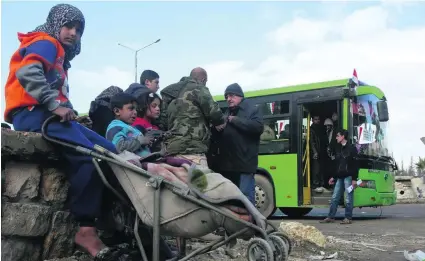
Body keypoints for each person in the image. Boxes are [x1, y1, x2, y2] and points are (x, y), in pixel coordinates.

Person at [2, 4, 131, 260]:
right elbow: (27, 71)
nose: (73, 33)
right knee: (89, 156)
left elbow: (56, 91)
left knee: (112, 151)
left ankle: (113, 225)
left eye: (79, 29)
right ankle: (85, 229)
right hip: (33, 113)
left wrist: (67, 110)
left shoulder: (59, 52)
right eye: (68, 26)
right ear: (55, 24)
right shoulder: (46, 42)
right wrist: (54, 105)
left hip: (46, 112)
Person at [211, 83, 264, 205]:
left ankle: (250, 223)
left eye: (231, 96)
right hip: (227, 166)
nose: (228, 99)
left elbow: (257, 127)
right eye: (226, 97)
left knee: (245, 199)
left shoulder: (252, 109)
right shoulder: (225, 113)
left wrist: (235, 120)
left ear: (240, 96)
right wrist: (216, 127)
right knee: (230, 200)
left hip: (244, 164)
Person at [161, 67, 226, 166]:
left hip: (171, 149)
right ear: (203, 80)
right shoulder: (198, 88)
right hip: (192, 149)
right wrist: (220, 122)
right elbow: (215, 113)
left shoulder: (171, 92)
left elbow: (163, 120)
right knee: (200, 180)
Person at [320, 129, 359, 225]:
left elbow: (355, 165)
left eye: (337, 136)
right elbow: (337, 165)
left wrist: (354, 179)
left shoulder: (352, 148)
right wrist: (333, 177)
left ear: (343, 137)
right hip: (340, 178)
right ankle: (330, 217)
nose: (336, 137)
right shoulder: (338, 148)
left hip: (349, 177)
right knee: (335, 197)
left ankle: (348, 218)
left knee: (348, 198)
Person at [105, 93, 154, 157]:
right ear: (117, 111)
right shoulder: (114, 127)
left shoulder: (130, 127)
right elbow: (118, 147)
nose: (135, 112)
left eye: (136, 109)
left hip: (147, 160)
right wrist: (140, 141)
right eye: (131, 109)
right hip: (135, 165)